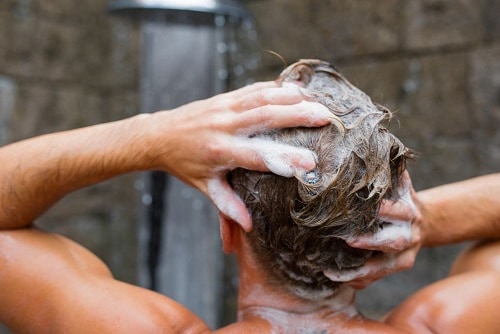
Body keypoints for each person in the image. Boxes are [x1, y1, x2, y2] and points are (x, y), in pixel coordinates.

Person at [0, 59, 497, 333]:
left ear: (228, 223)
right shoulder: (446, 324)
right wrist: (423, 220)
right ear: (374, 237)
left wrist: (152, 134)